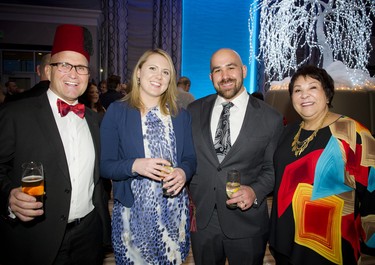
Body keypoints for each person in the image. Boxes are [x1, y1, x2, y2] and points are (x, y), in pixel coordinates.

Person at [0, 24, 111, 265]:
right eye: (64, 65)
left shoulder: (94, 119)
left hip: (88, 236)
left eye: (81, 67)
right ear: (49, 71)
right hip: (37, 238)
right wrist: (8, 195)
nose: (73, 74)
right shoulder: (16, 113)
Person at [269, 65, 375, 265]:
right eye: (297, 90)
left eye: (312, 88)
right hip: (286, 239)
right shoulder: (288, 132)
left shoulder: (352, 133)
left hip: (330, 245)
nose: (304, 95)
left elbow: (372, 187)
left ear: (327, 94)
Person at [187, 48, 284, 265]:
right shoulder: (193, 111)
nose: (225, 76)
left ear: (243, 70)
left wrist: (255, 191)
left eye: (231, 67)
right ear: (211, 77)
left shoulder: (271, 118)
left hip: (247, 221)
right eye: (217, 70)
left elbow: (272, 169)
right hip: (203, 220)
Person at [100, 48, 196, 264]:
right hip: (133, 217)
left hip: (173, 213)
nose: (158, 76)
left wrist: (183, 171)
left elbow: (190, 159)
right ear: (139, 73)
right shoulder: (117, 112)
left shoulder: (181, 116)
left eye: (166, 72)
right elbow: (105, 166)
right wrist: (134, 165)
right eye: (152, 68)